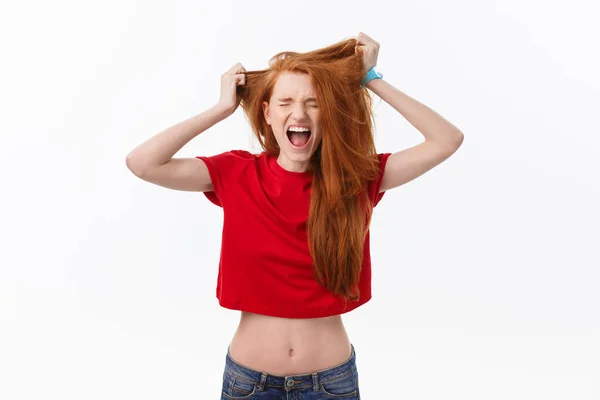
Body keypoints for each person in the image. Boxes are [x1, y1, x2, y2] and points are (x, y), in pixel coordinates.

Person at [126, 32, 464, 399]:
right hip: (249, 384)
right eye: (285, 101)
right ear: (267, 113)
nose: (299, 113)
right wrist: (222, 108)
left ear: (327, 115)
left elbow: (446, 140)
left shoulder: (356, 180)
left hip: (330, 384)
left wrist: (371, 79)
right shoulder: (235, 173)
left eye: (313, 103)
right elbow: (142, 163)